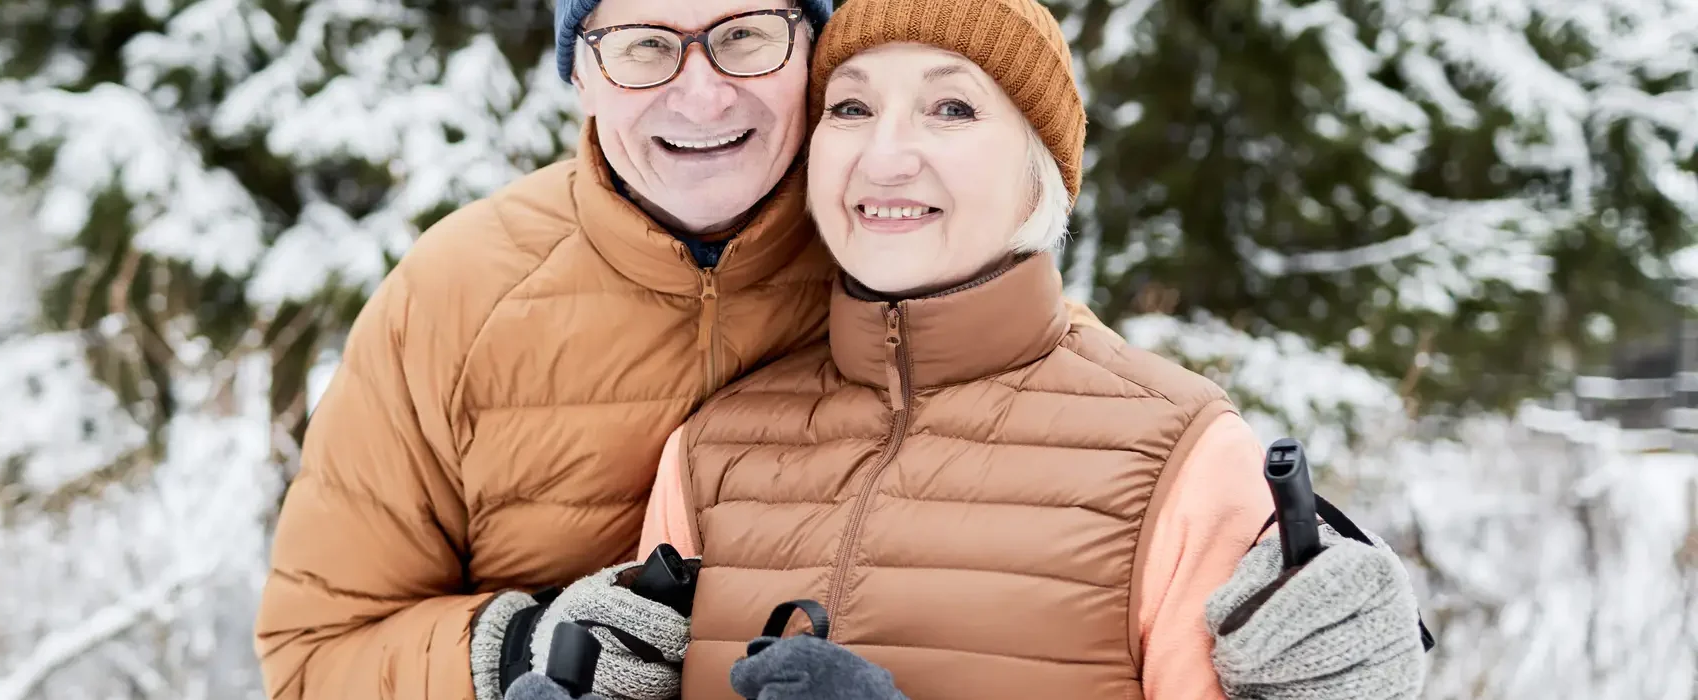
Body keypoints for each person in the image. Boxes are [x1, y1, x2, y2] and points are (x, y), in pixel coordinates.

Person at [494, 0, 1430, 699]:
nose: (886, 155)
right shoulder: (713, 450)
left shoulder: (1178, 455)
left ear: (1040, 176)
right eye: (851, 110)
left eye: (951, 111)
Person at [250, 1, 1076, 698]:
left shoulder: (889, 235)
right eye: (645, 45)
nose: (704, 96)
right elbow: (313, 653)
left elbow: (1063, 383)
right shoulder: (455, 295)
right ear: (580, 75)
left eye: (745, 34)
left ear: (811, 55)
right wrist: (517, 647)